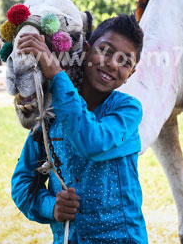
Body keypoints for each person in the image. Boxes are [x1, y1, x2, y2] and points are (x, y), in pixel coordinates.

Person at [11, 14, 148, 244]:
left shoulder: (128, 111)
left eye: (125, 61)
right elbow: (22, 183)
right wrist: (51, 207)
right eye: (105, 50)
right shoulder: (50, 113)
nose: (113, 64)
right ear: (85, 50)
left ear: (130, 74)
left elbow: (91, 141)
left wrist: (56, 74)